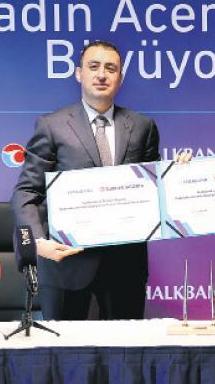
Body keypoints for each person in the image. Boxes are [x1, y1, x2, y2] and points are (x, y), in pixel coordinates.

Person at [11, 40, 160, 320]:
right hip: (66, 263)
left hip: (126, 265)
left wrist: (177, 175)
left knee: (127, 347)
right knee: (64, 347)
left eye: (110, 68)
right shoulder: (52, 126)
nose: (101, 74)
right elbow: (26, 191)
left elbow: (154, 189)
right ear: (79, 73)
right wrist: (37, 241)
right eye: (93, 67)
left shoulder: (143, 127)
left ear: (120, 78)